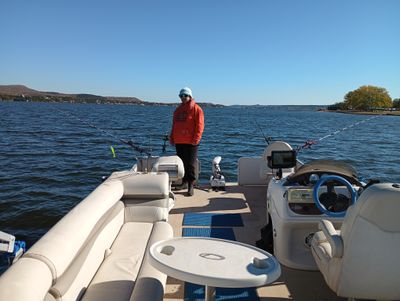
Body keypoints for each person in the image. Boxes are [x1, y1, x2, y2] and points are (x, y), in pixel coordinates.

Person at [170, 87, 204, 196]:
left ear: (190, 96)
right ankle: (184, 182)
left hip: (191, 142)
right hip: (179, 141)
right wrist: (172, 137)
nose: (183, 98)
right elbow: (174, 125)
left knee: (190, 164)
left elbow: (200, 126)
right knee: (182, 163)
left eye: (185, 95)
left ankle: (191, 184)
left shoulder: (197, 109)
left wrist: (196, 139)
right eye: (181, 96)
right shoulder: (178, 110)